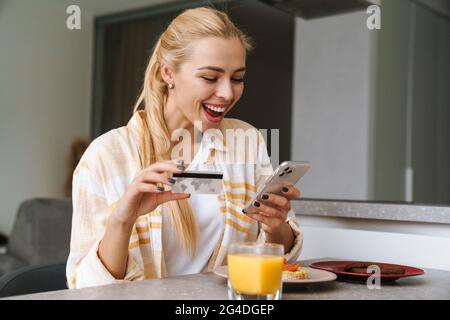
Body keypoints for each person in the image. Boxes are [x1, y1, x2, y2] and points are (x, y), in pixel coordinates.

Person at [66, 7, 303, 289]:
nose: (227, 93)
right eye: (210, 77)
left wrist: (276, 226)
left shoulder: (247, 140)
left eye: (237, 78)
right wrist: (123, 219)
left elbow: (277, 259)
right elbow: (84, 288)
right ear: (168, 73)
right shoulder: (105, 157)